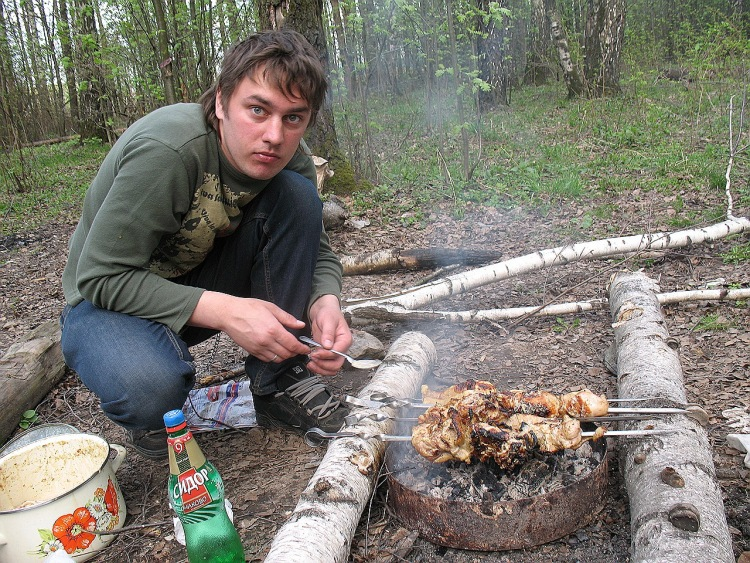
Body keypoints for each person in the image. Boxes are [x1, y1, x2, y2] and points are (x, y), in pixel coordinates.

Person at [60, 28, 353, 460]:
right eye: (258, 110)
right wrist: (225, 310)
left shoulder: (292, 157)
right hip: (106, 303)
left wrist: (324, 301)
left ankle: (278, 381)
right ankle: (153, 397)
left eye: (294, 117)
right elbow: (100, 276)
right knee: (151, 391)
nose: (275, 135)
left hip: (197, 276)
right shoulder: (170, 150)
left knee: (296, 196)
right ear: (220, 102)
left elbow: (316, 245)